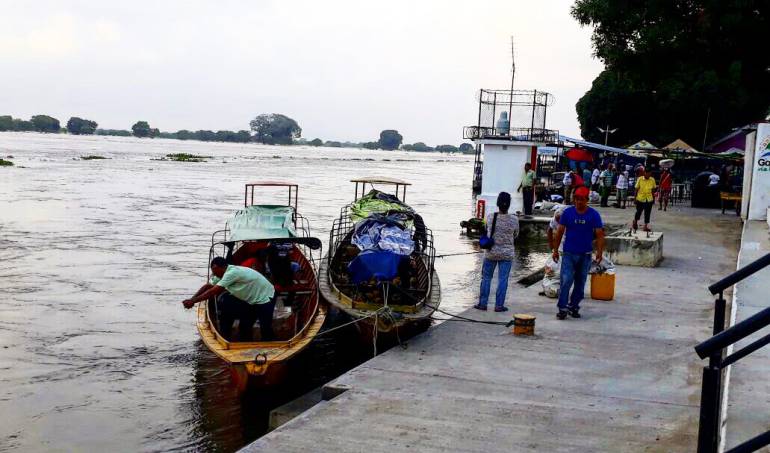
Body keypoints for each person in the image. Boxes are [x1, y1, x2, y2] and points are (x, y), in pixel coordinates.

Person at [182, 257, 276, 341]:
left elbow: (212, 291)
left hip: (266, 297)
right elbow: (207, 287)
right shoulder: (221, 274)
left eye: (215, 272)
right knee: (244, 326)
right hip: (251, 300)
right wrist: (191, 299)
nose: (214, 275)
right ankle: (246, 346)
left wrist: (193, 302)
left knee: (265, 327)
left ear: (220, 267)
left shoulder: (232, 273)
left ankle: (270, 347)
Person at [551, 186, 605, 319]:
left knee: (580, 283)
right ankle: (562, 308)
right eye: (577, 199)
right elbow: (559, 232)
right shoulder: (568, 213)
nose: (579, 202)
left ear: (587, 200)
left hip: (585, 254)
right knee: (566, 280)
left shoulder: (594, 215)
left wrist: (599, 252)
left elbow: (600, 234)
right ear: (574, 199)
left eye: (582, 199)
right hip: (569, 253)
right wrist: (555, 250)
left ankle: (574, 306)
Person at [475, 192, 519, 312]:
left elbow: (486, 231)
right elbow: (516, 234)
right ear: (509, 205)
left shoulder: (490, 217)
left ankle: (483, 304)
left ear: (497, 204)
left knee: (486, 278)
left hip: (491, 253)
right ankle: (499, 306)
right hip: (507, 254)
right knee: (503, 279)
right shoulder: (515, 219)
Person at [633, 167, 657, 232]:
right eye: (648, 174)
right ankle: (635, 221)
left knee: (647, 213)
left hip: (649, 199)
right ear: (645, 173)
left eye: (650, 174)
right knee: (638, 212)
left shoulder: (652, 179)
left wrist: (653, 199)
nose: (649, 175)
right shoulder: (640, 179)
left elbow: (653, 189)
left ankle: (645, 226)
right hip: (640, 198)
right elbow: (636, 189)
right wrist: (635, 199)